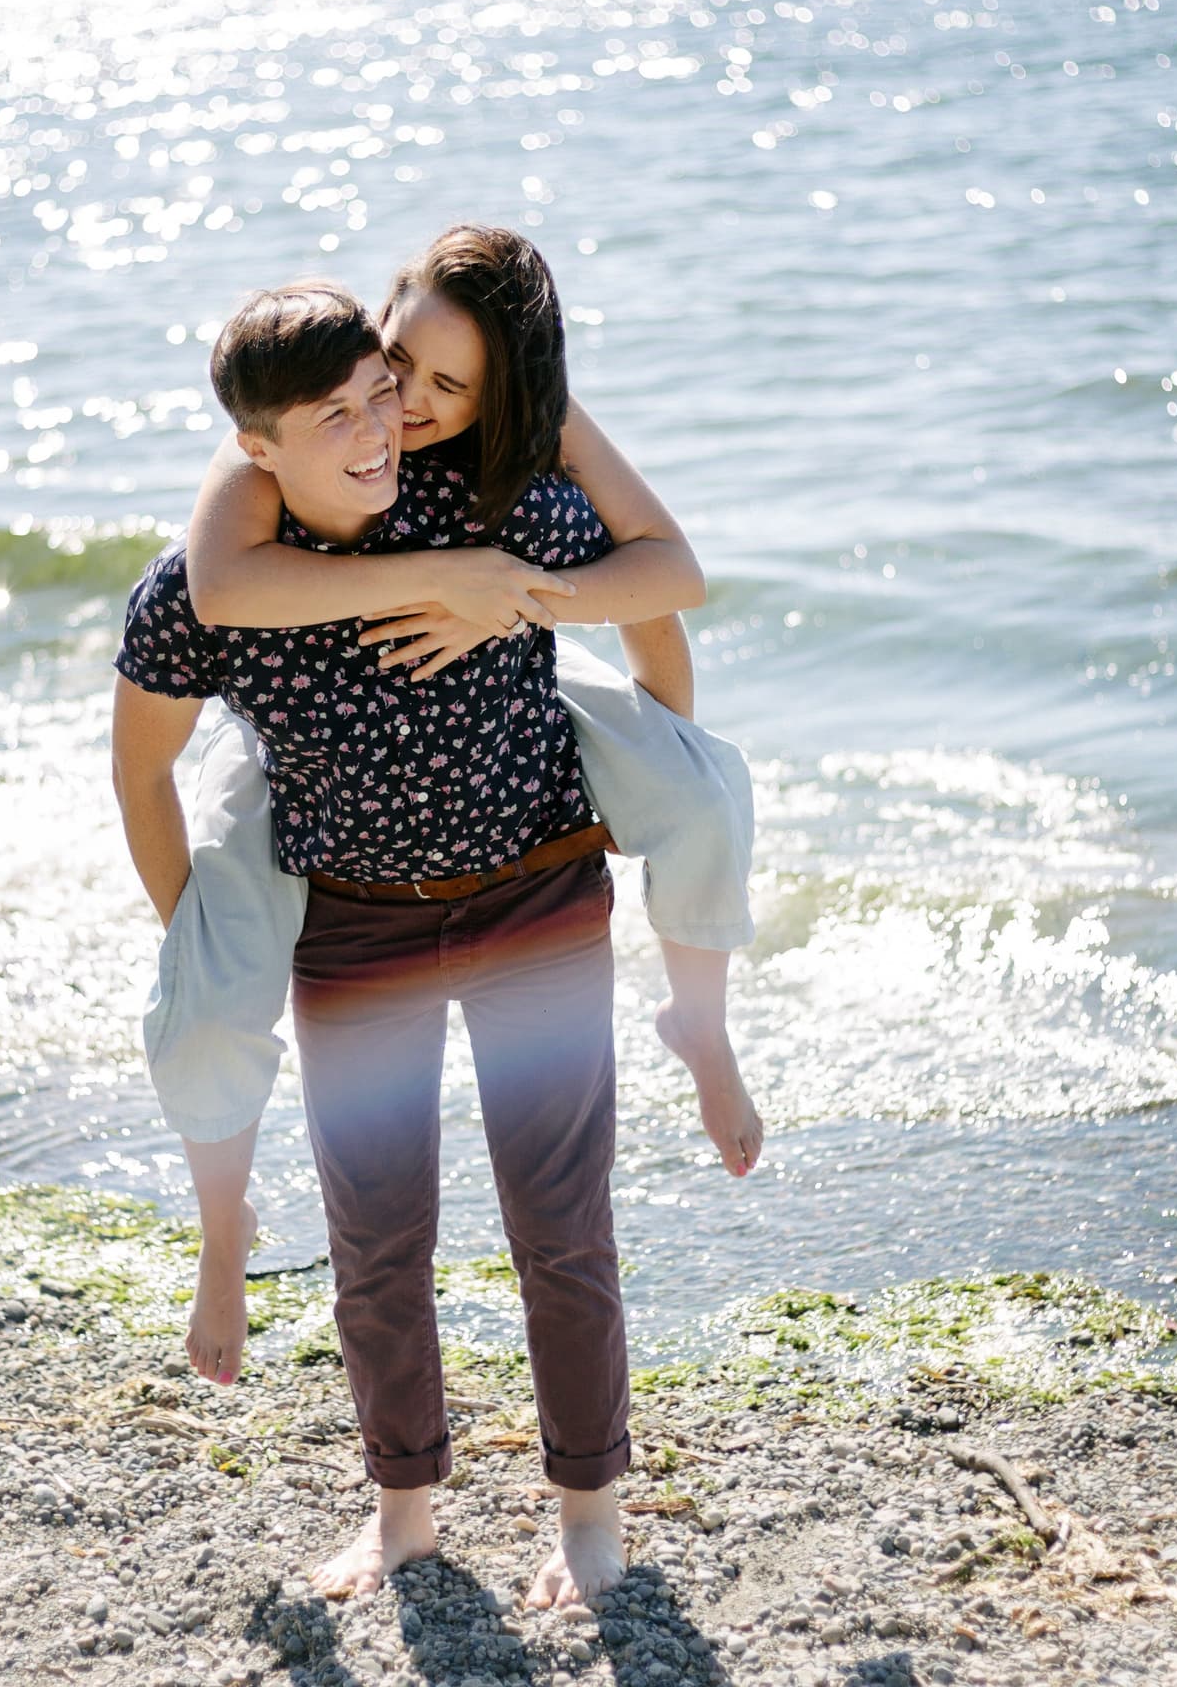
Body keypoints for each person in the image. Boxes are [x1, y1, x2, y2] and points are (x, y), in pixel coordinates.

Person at [154, 228, 761, 1402]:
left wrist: (524, 611)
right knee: (207, 995)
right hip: (301, 739)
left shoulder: (543, 434)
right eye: (401, 368)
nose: (413, 406)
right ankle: (223, 1236)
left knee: (702, 789)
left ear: (504, 391)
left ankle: (701, 1024)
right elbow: (221, 585)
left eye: (450, 388)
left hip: (514, 664)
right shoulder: (305, 438)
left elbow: (669, 573)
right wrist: (441, 582)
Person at [114, 278, 644, 1603]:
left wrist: (670, 791)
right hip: (354, 926)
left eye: (376, 399)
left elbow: (658, 591)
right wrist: (200, 937)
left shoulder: (487, 495)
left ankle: (591, 1518)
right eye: (330, 417)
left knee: (561, 1223)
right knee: (377, 1236)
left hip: (539, 894)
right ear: (256, 449)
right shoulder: (202, 587)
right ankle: (402, 1511)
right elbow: (141, 774)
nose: (371, 432)